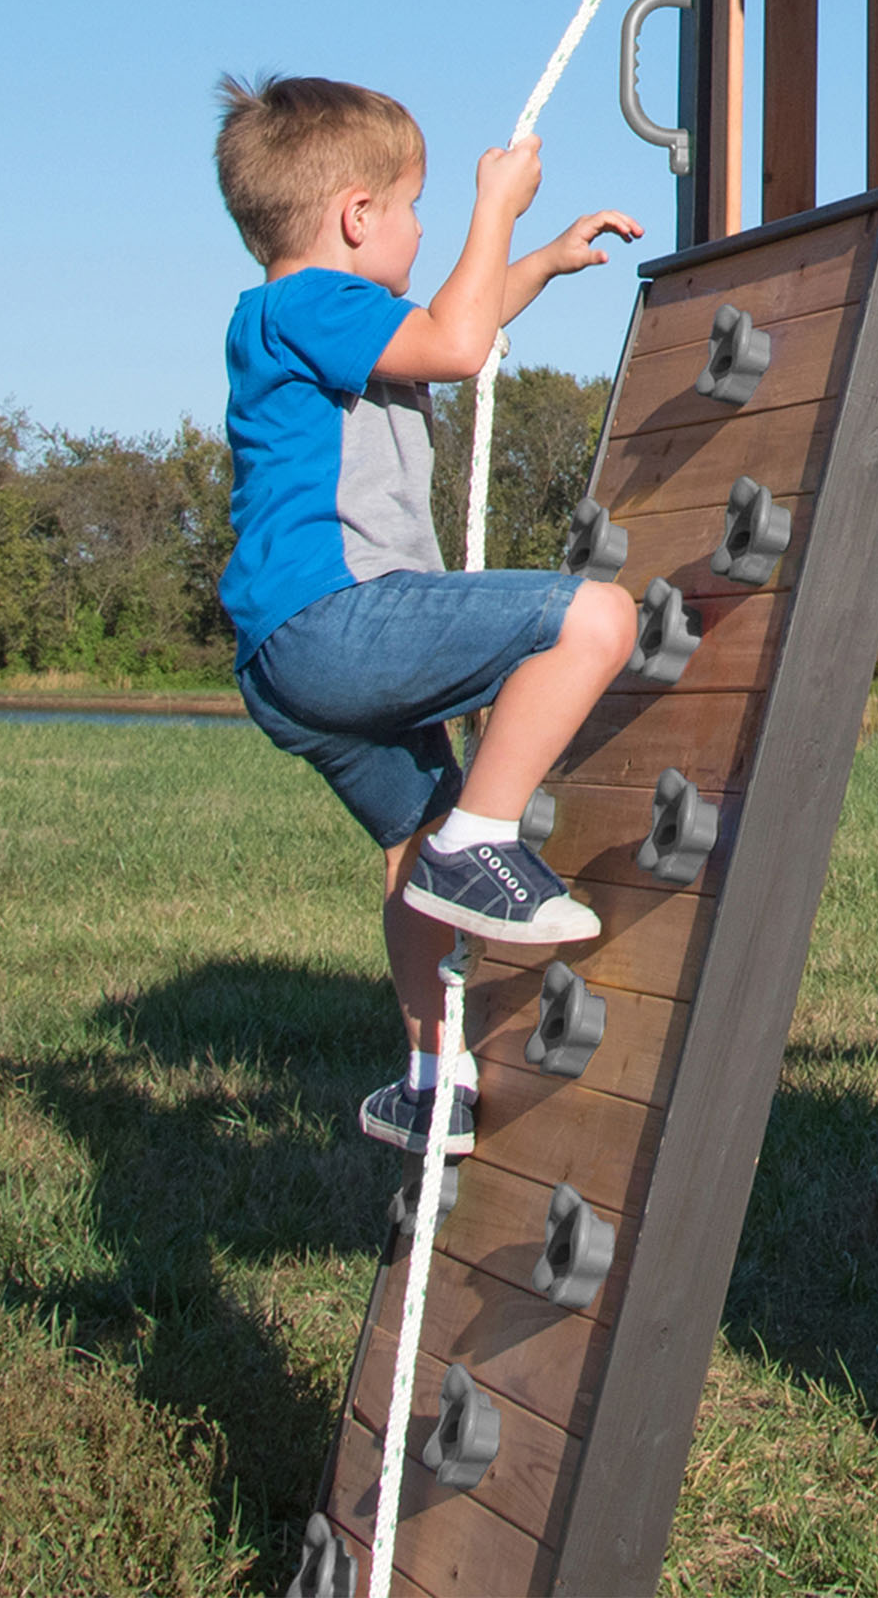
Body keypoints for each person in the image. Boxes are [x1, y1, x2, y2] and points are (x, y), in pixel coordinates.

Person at [213, 71, 644, 1161]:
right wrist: (496, 205)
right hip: (339, 623)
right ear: (358, 216)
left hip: (288, 661)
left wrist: (535, 261)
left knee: (412, 847)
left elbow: (456, 323)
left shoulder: (303, 321)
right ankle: (485, 843)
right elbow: (454, 346)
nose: (423, 228)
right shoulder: (308, 303)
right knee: (591, 619)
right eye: (414, 210)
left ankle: (428, 1078)